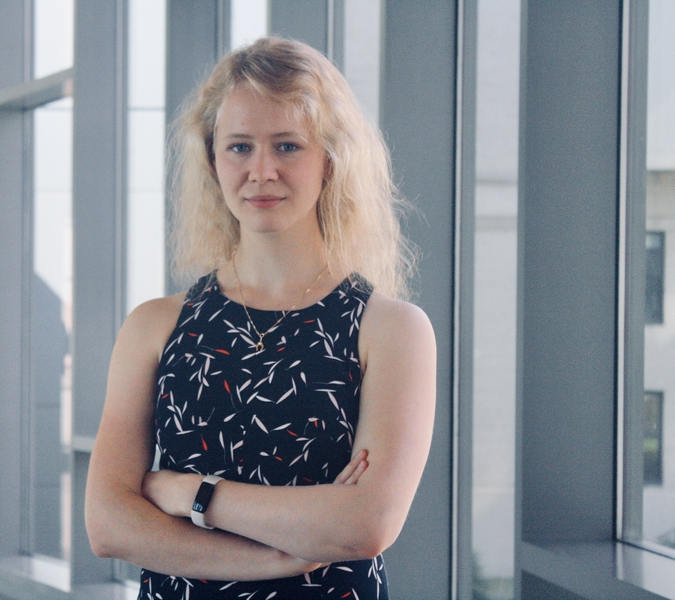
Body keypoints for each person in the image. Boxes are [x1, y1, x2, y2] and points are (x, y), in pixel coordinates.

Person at [85, 36, 436, 600]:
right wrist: (284, 555)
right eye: (240, 147)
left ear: (331, 159)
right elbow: (108, 524)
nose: (262, 170)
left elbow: (366, 525)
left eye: (289, 146)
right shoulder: (155, 326)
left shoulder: (391, 329)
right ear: (212, 160)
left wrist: (192, 496)